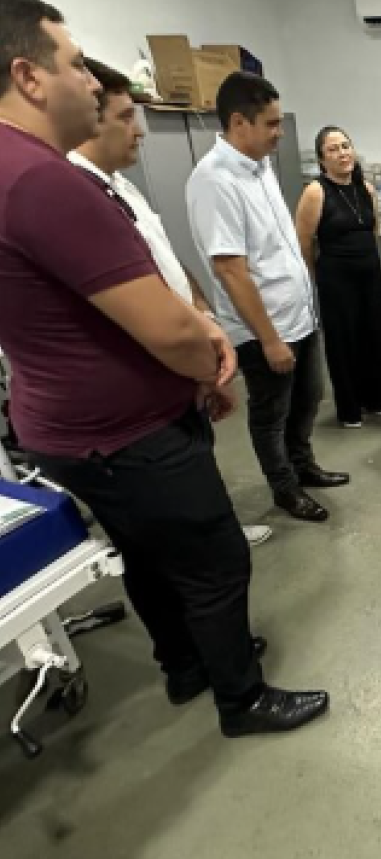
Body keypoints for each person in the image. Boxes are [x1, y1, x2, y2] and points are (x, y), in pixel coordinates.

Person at [0, 0, 327, 737]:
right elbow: (163, 327)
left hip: (66, 427)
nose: (92, 81)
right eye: (76, 64)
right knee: (215, 558)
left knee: (145, 555)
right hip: (126, 433)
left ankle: (186, 666)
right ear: (28, 76)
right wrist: (207, 364)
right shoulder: (42, 179)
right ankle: (241, 698)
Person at [69, 58, 273, 548]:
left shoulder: (122, 186)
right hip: (147, 389)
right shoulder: (76, 196)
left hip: (185, 370)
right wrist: (205, 366)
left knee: (199, 473)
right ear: (88, 121)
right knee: (179, 533)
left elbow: (167, 264)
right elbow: (145, 311)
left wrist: (203, 316)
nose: (139, 131)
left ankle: (218, 530)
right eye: (125, 117)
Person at [187, 72, 349, 523]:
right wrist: (270, 340)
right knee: (271, 413)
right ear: (240, 122)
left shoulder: (260, 167)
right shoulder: (215, 181)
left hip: (299, 316)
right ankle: (284, 488)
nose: (280, 132)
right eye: (272, 123)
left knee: (308, 399)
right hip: (266, 329)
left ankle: (303, 465)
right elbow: (230, 269)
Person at [294, 126, 381, 428]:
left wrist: (367, 259)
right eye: (333, 149)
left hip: (369, 273)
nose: (342, 153)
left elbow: (373, 230)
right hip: (336, 277)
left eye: (345, 146)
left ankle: (378, 399)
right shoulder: (316, 191)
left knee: (373, 335)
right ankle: (350, 408)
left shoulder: (366, 188)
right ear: (321, 159)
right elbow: (303, 240)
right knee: (343, 341)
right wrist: (316, 274)